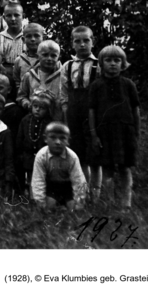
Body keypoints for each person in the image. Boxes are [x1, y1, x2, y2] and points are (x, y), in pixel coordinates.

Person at [89, 45, 140, 209]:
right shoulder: (96, 85)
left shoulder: (128, 84)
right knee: (107, 169)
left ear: (123, 63)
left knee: (125, 168)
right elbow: (92, 111)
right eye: (108, 60)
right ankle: (108, 203)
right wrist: (94, 135)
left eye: (117, 60)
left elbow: (135, 110)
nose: (113, 64)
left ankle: (126, 204)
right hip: (105, 132)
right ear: (102, 63)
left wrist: (136, 132)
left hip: (125, 132)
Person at [60, 25, 98, 182]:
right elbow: (63, 94)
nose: (82, 44)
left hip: (94, 114)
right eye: (78, 41)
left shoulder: (99, 65)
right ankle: (83, 190)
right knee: (78, 152)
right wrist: (66, 115)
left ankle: (96, 195)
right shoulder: (67, 66)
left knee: (95, 154)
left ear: (92, 42)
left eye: (86, 40)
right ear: (72, 44)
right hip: (74, 113)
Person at [31, 122, 87, 211]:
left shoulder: (72, 157)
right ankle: (57, 205)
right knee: (49, 206)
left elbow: (78, 181)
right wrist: (40, 203)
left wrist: (79, 203)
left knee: (73, 208)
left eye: (62, 138)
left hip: (67, 186)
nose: (57, 142)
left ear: (68, 140)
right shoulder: (41, 156)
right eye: (53, 137)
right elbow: (38, 180)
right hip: (51, 186)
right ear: (45, 138)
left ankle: (65, 205)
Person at [16, 90, 54, 198]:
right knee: (29, 177)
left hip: (43, 156)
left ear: (47, 110)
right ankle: (30, 197)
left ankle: (42, 197)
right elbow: (20, 137)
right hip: (27, 155)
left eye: (41, 108)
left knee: (43, 177)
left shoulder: (49, 123)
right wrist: (20, 153)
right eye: (35, 106)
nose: (37, 109)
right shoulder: (25, 120)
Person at [17, 40, 62, 121]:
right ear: (37, 56)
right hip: (34, 119)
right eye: (45, 55)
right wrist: (28, 104)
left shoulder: (63, 76)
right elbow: (21, 96)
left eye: (53, 56)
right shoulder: (29, 76)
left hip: (56, 120)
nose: (49, 58)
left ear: (58, 57)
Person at [13, 23, 45, 92]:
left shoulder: (47, 60)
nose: (33, 39)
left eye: (36, 36)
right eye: (29, 36)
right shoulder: (19, 60)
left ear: (43, 38)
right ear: (23, 40)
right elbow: (17, 81)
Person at [0, 3, 25, 69]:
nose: (13, 19)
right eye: (9, 16)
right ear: (4, 18)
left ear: (23, 16)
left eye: (16, 15)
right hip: (3, 72)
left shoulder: (28, 37)